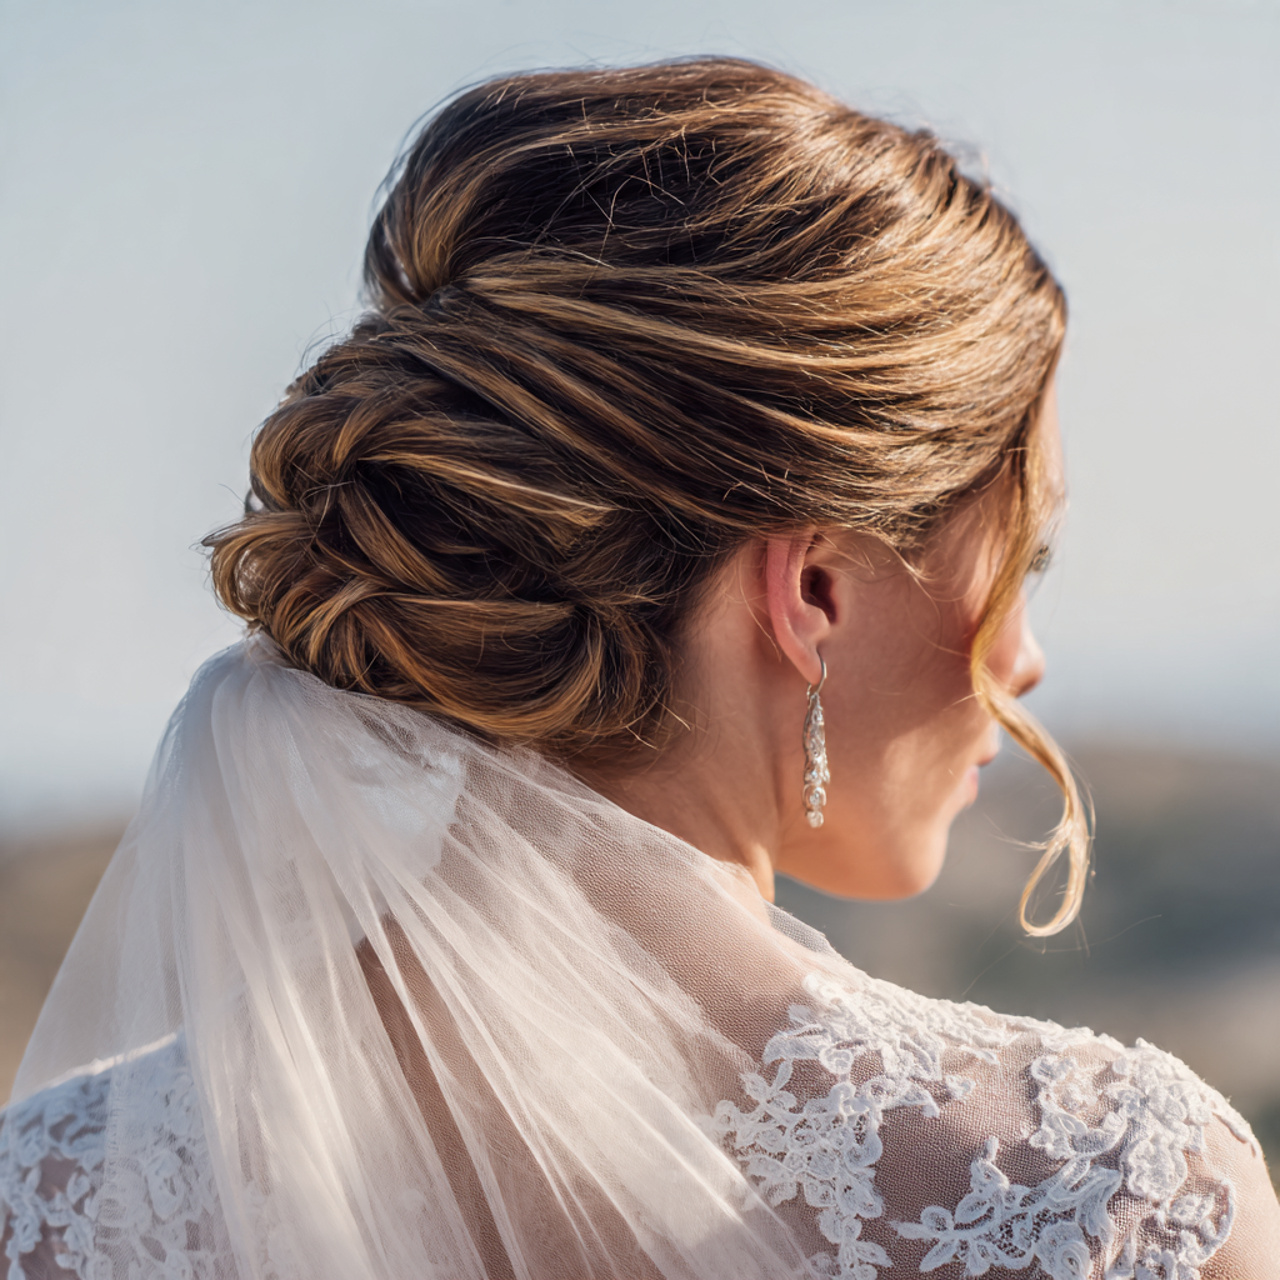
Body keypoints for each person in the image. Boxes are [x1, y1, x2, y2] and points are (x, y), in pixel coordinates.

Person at [2, 57, 1276, 1280]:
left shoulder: (43, 1200)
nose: (1024, 658)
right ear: (815, 590)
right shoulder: (1107, 1198)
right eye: (1019, 564)